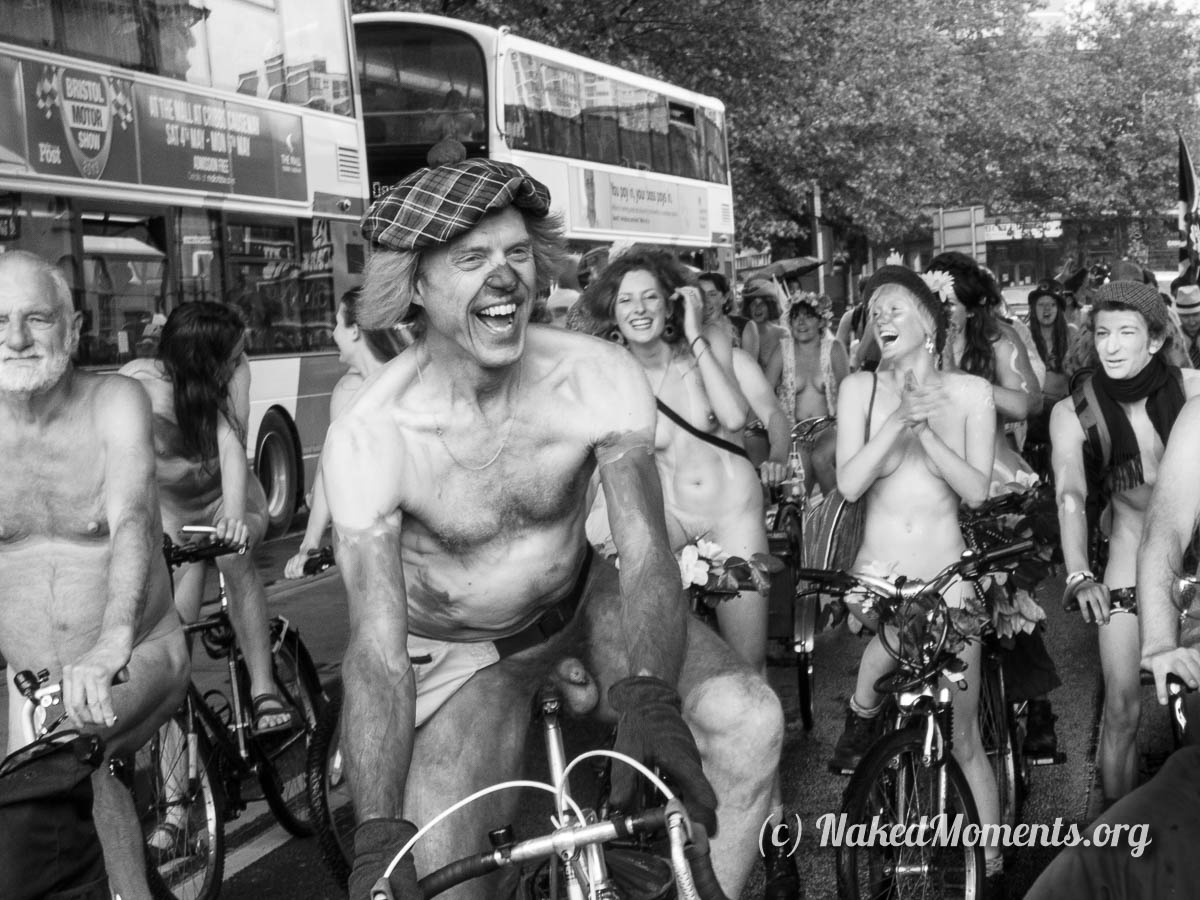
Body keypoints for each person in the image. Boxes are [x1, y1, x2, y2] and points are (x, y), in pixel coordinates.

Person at [323, 157, 784, 900]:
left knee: (749, 721)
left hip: (586, 606)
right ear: (413, 285)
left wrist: (650, 690)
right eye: (472, 259)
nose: (504, 277)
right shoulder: (371, 438)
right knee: (440, 880)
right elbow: (377, 653)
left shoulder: (592, 375)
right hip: (471, 656)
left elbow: (641, 553)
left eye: (515, 254)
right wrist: (376, 833)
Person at [583, 249, 798, 896]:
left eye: (652, 297)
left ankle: (772, 820)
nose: (640, 309)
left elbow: (750, 426)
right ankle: (638, 797)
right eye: (626, 301)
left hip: (730, 516)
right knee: (647, 657)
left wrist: (700, 334)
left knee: (747, 673)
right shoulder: (610, 375)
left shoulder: (708, 356)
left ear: (672, 301)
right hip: (665, 525)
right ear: (612, 315)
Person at [0, 250, 190, 900]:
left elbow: (133, 520)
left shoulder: (115, 403)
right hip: (34, 687)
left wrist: (112, 641)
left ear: (74, 329)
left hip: (136, 653)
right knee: (70, 775)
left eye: (35, 319)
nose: (16, 338)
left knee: (51, 778)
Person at [825, 264, 1007, 885]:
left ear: (929, 321)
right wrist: (897, 419)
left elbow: (977, 492)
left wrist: (925, 432)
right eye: (875, 311)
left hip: (948, 578)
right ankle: (868, 738)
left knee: (962, 739)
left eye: (896, 307)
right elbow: (849, 482)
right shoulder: (859, 390)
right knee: (890, 660)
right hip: (877, 578)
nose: (882, 318)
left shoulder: (972, 393)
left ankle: (992, 862)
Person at [1050, 280, 1200, 808]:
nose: (1111, 346)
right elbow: (1070, 495)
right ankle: (1118, 835)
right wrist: (1076, 573)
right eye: (1102, 333)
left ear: (1155, 340)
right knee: (1122, 710)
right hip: (1130, 557)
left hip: (1198, 560)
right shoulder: (1073, 412)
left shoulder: (1195, 390)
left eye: (1126, 333)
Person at [118, 303, 290, 738]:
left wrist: (233, 517)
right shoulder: (141, 385)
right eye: (234, 353)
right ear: (206, 360)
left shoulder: (235, 371)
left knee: (235, 558)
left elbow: (232, 441)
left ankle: (264, 688)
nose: (242, 357)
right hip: (174, 507)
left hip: (224, 493)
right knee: (177, 606)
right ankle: (173, 698)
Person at [284, 290, 406, 579]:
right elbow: (330, 469)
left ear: (354, 331)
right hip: (367, 539)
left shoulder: (403, 380)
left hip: (404, 537)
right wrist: (310, 543)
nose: (333, 333)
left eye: (338, 324)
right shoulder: (346, 392)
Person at [766, 291, 849, 496]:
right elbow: (763, 393)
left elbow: (850, 393)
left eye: (808, 316)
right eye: (796, 317)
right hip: (795, 431)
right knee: (794, 493)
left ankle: (836, 519)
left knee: (820, 459)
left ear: (821, 322)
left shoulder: (835, 349)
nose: (801, 322)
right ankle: (799, 523)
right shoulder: (782, 351)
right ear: (789, 322)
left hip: (829, 429)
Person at [698, 271, 760, 361]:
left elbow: (752, 371)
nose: (706, 301)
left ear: (725, 297)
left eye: (712, 294)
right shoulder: (692, 330)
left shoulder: (745, 327)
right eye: (701, 294)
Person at [743, 279, 791, 370]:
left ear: (770, 306)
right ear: (748, 308)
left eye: (762, 303)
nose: (757, 308)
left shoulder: (782, 334)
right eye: (753, 303)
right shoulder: (743, 333)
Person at [1174, 283, 1200, 368]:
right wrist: (1181, 352)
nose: (1192, 322)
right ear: (1178, 315)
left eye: (1196, 315)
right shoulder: (1173, 338)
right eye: (1185, 316)